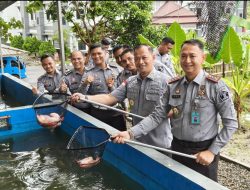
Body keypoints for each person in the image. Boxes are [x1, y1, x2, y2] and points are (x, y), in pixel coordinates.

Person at [112, 39, 238, 181]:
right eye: (183, 56)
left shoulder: (216, 86)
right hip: (177, 148)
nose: (187, 60)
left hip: (203, 151)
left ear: (203, 58)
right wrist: (130, 133)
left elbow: (231, 123)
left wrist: (212, 151)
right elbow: (156, 116)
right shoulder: (172, 85)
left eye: (192, 56)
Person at [72, 44, 173, 149]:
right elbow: (110, 98)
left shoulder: (166, 82)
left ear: (153, 57)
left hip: (160, 145)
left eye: (144, 58)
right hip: (138, 142)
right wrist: (85, 97)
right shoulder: (130, 82)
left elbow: (165, 114)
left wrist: (130, 133)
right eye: (137, 58)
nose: (140, 62)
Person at [78, 43, 127, 131]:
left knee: (120, 139)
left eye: (99, 53)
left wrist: (111, 87)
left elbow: (122, 93)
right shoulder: (88, 73)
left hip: (116, 112)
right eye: (93, 54)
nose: (96, 56)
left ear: (105, 53)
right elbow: (81, 95)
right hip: (98, 113)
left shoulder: (116, 70)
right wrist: (85, 83)